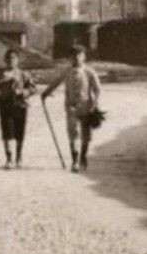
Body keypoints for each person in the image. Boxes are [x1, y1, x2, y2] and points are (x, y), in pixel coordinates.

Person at [41, 42, 103, 172]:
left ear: (84, 57)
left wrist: (94, 103)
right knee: (73, 133)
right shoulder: (66, 71)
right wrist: (46, 93)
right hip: (71, 107)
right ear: (70, 58)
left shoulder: (89, 72)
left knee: (86, 135)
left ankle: (83, 156)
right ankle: (74, 160)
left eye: (79, 55)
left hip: (86, 107)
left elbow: (98, 89)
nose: (76, 58)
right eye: (73, 55)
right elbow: (56, 82)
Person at [0, 47, 36, 169]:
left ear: (18, 60)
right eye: (8, 58)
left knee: (20, 133)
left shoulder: (24, 74)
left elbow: (33, 88)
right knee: (6, 132)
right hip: (5, 107)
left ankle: (18, 157)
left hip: (20, 106)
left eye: (13, 58)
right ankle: (9, 158)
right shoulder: (0, 75)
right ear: (5, 60)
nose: (11, 61)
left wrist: (24, 92)